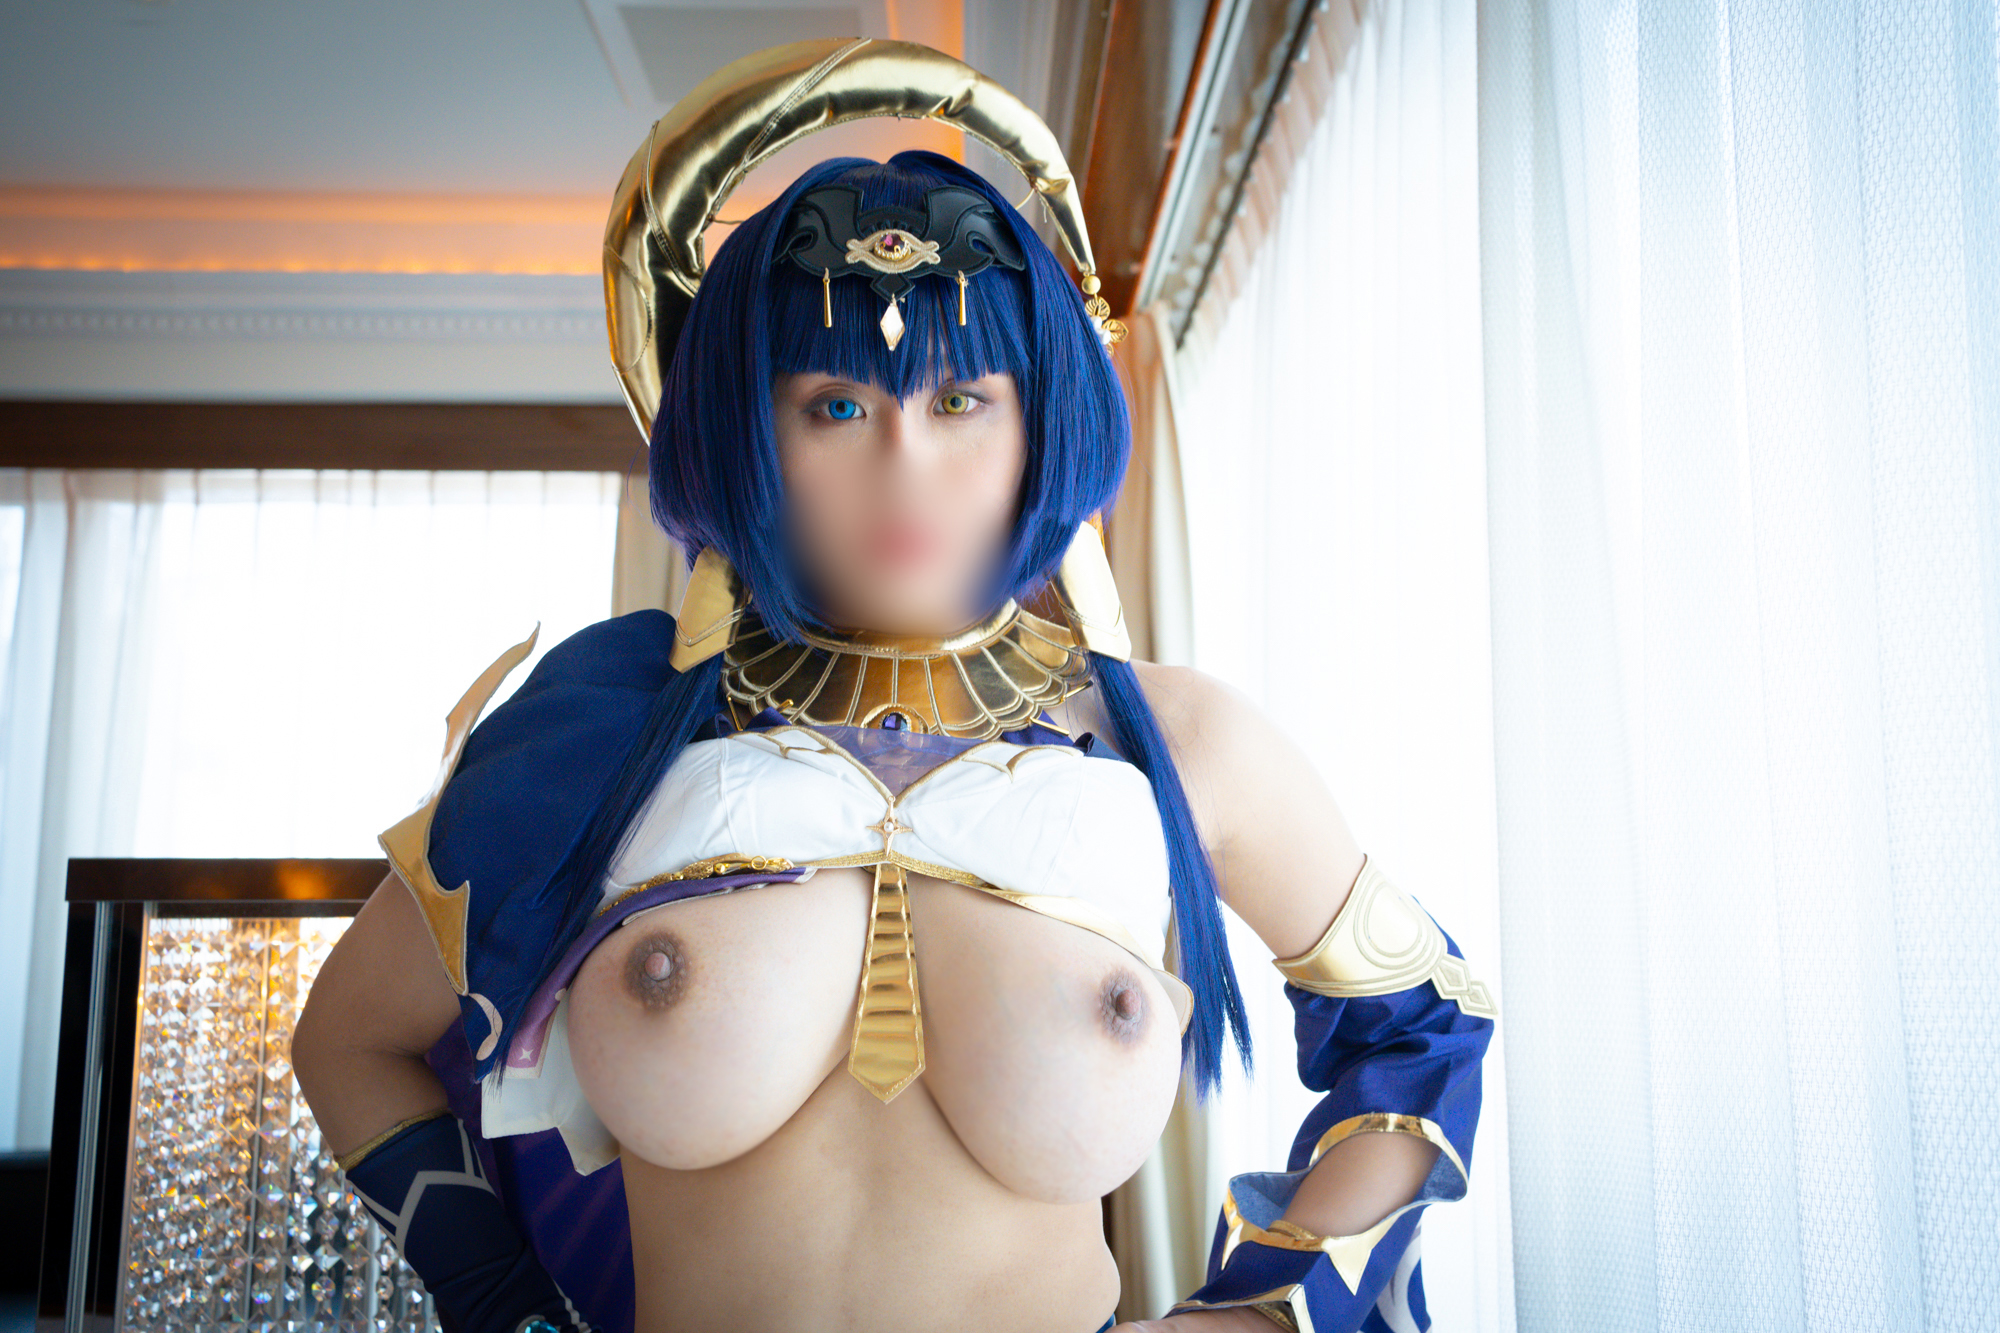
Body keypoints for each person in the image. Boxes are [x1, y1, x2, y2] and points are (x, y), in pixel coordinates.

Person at [291, 38, 1495, 1333]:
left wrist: (1266, 1312)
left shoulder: (1180, 742)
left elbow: (1424, 1029)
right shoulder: (609, 729)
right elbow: (350, 1042)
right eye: (837, 406)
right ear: (748, 433)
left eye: (961, 399)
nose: (905, 468)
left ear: (1043, 420)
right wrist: (503, 1308)